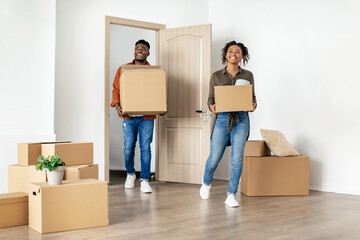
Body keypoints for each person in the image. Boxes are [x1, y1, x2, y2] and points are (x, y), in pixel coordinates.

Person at [200, 41, 257, 207]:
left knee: (237, 159)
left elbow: (252, 98)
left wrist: (253, 105)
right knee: (215, 157)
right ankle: (206, 182)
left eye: (238, 52)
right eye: (230, 51)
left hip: (241, 119)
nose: (234, 54)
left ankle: (231, 194)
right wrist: (213, 107)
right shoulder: (216, 76)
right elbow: (210, 100)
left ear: (242, 56)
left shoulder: (248, 76)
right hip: (222, 119)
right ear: (225, 55)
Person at [110, 39, 155, 193]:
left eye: (143, 48)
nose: (140, 50)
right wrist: (117, 106)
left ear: (148, 52)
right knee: (129, 147)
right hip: (129, 116)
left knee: (145, 148)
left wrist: (162, 106)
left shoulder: (154, 72)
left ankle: (144, 179)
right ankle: (130, 174)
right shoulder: (124, 69)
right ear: (134, 51)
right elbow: (116, 89)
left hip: (146, 117)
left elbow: (159, 90)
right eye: (137, 48)